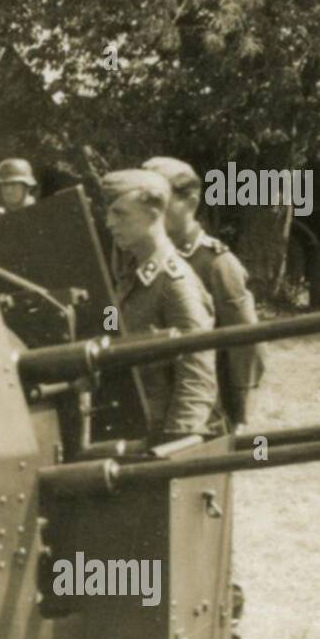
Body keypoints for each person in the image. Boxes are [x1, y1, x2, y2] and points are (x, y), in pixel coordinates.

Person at [142, 157, 265, 432]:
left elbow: (246, 343)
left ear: (191, 202)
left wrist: (240, 411)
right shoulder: (133, 257)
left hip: (201, 408)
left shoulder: (216, 264)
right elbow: (115, 317)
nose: (149, 210)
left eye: (159, 200)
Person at [101, 169, 217, 443]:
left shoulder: (175, 283)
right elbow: (112, 330)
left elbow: (197, 371)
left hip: (160, 433)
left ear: (153, 214)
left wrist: (176, 444)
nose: (108, 222)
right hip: (131, 425)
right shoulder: (131, 273)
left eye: (120, 214)